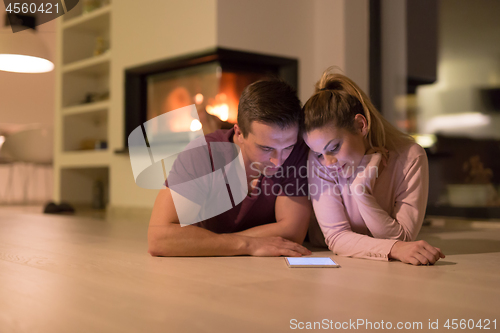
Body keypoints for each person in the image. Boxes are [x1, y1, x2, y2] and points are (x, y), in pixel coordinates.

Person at [148, 79, 312, 257]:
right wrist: (248, 244)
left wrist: (208, 242)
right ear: (239, 133)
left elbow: (292, 232)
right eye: (266, 148)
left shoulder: (297, 151)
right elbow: (159, 238)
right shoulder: (203, 154)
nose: (278, 161)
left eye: (287, 147)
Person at [302, 68, 445, 265]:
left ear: (361, 126)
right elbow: (336, 237)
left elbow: (403, 238)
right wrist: (393, 248)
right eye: (319, 153)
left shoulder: (410, 157)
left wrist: (361, 191)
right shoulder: (318, 161)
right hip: (324, 256)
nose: (328, 163)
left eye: (334, 147)